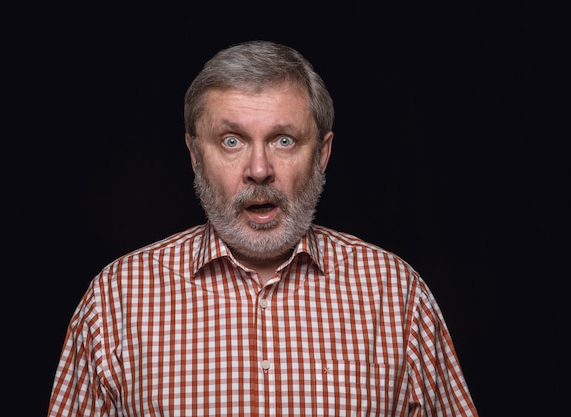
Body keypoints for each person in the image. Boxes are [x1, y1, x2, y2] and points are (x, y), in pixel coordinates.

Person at [47, 40, 478, 416]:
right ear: (195, 155)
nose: (259, 170)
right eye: (231, 140)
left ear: (322, 155)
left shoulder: (396, 296)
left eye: (283, 140)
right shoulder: (115, 302)